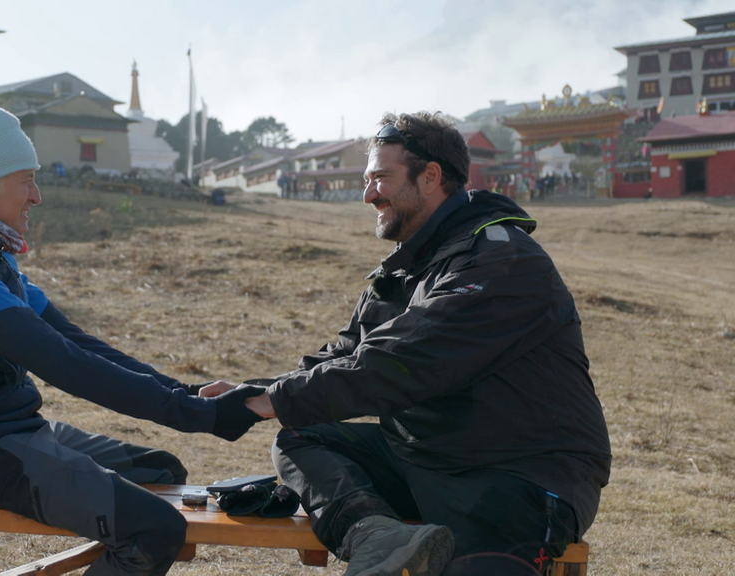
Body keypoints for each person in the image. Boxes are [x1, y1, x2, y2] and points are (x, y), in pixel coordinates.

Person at [0, 100, 264, 576]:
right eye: (25, 180)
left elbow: (78, 342)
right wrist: (199, 415)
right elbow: (61, 361)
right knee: (153, 529)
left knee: (162, 474)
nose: (36, 195)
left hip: (12, 434)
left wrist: (188, 394)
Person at [204, 112, 611, 576]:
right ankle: (375, 535)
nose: (368, 194)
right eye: (366, 179)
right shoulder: (405, 267)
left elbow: (404, 359)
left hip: (519, 477)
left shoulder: (501, 258)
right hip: (425, 460)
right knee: (302, 435)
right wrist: (252, 391)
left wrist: (271, 399)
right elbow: (348, 354)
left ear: (431, 176)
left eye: (381, 177)